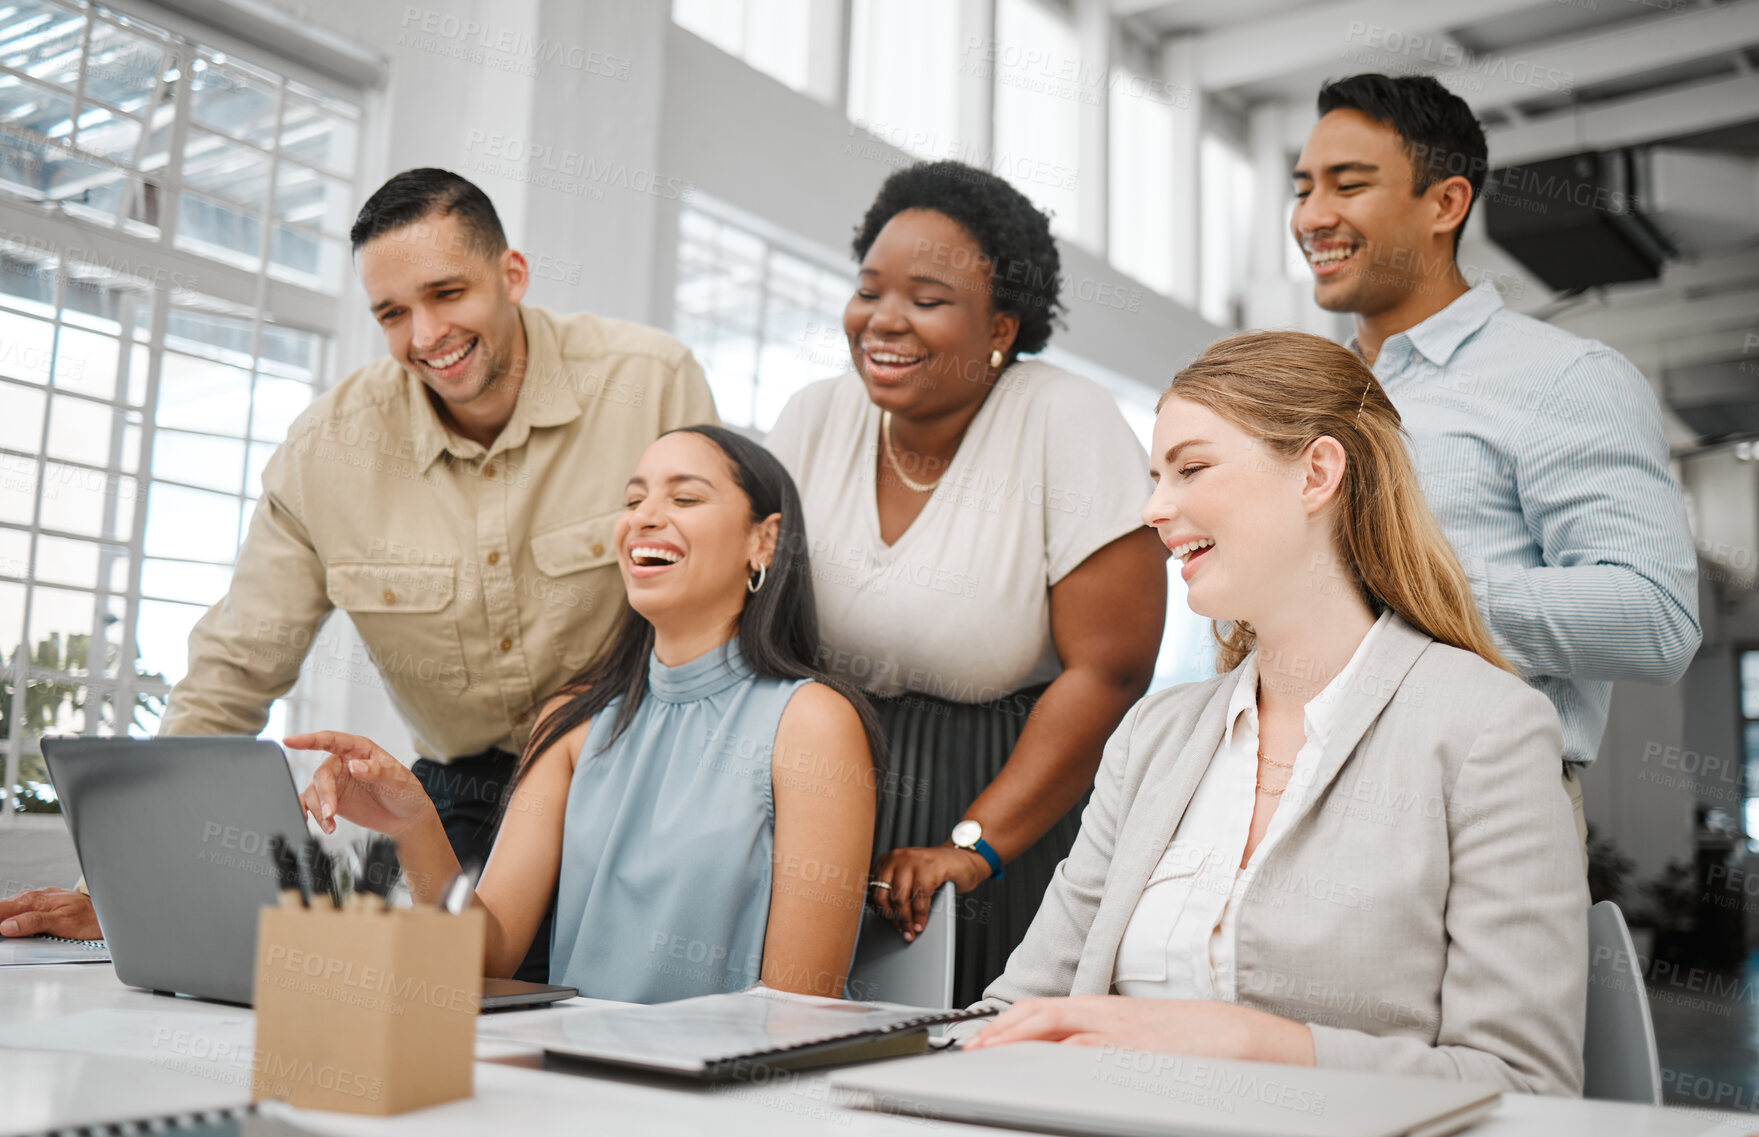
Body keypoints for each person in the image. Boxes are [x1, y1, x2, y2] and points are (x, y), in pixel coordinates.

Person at [0, 170, 718, 973]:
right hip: (462, 804)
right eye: (392, 312)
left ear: (511, 274)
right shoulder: (325, 452)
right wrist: (119, 883)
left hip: (642, 773)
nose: (426, 333)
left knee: (635, 1007)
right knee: (440, 1020)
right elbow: (233, 669)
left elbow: (722, 598)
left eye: (448, 293)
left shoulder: (650, 383)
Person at [950, 332, 1588, 1097]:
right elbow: (1018, 1008)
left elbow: (1525, 1083)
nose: (1153, 509)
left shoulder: (1486, 727)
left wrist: (1251, 1041)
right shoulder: (1154, 736)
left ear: (1317, 472)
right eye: (1154, 477)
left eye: (1190, 468)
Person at [764, 161, 1167, 1005]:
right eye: (869, 289)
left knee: (973, 1063)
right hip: (821, 801)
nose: (883, 319)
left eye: (927, 298)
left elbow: (1110, 671)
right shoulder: (813, 417)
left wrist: (972, 844)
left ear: (1000, 325)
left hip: (1007, 811)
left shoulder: (1066, 419)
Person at [289, 426, 879, 1001]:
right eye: (632, 499)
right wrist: (412, 820)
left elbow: (799, 1006)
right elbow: (483, 961)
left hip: (728, 1086)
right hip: (579, 1076)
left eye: (685, 497)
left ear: (765, 541)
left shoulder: (814, 722)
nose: (643, 517)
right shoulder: (571, 722)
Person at [1290, 74, 1700, 844]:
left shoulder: (1563, 378)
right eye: (1303, 187)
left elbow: (1656, 618)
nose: (1311, 215)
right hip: (1304, 790)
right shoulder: (1320, 397)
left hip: (1479, 808)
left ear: (1444, 204)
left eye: (1348, 185)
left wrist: (1406, 592)